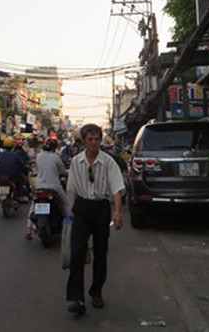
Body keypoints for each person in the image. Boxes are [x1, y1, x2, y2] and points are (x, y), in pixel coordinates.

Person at [66, 124, 125, 315]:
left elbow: (116, 188)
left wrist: (117, 212)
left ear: (100, 140)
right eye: (90, 139)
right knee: (76, 254)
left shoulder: (109, 162)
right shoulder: (75, 162)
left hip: (100, 209)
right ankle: (77, 298)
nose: (93, 143)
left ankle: (96, 291)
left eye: (97, 139)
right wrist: (69, 214)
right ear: (83, 141)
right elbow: (71, 189)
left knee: (101, 253)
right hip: (82, 209)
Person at [26, 137, 71, 239]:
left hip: (39, 187)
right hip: (54, 187)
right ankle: (69, 228)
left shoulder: (38, 156)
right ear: (54, 148)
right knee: (66, 205)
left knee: (33, 206)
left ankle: (28, 229)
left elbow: (37, 170)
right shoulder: (56, 158)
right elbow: (63, 172)